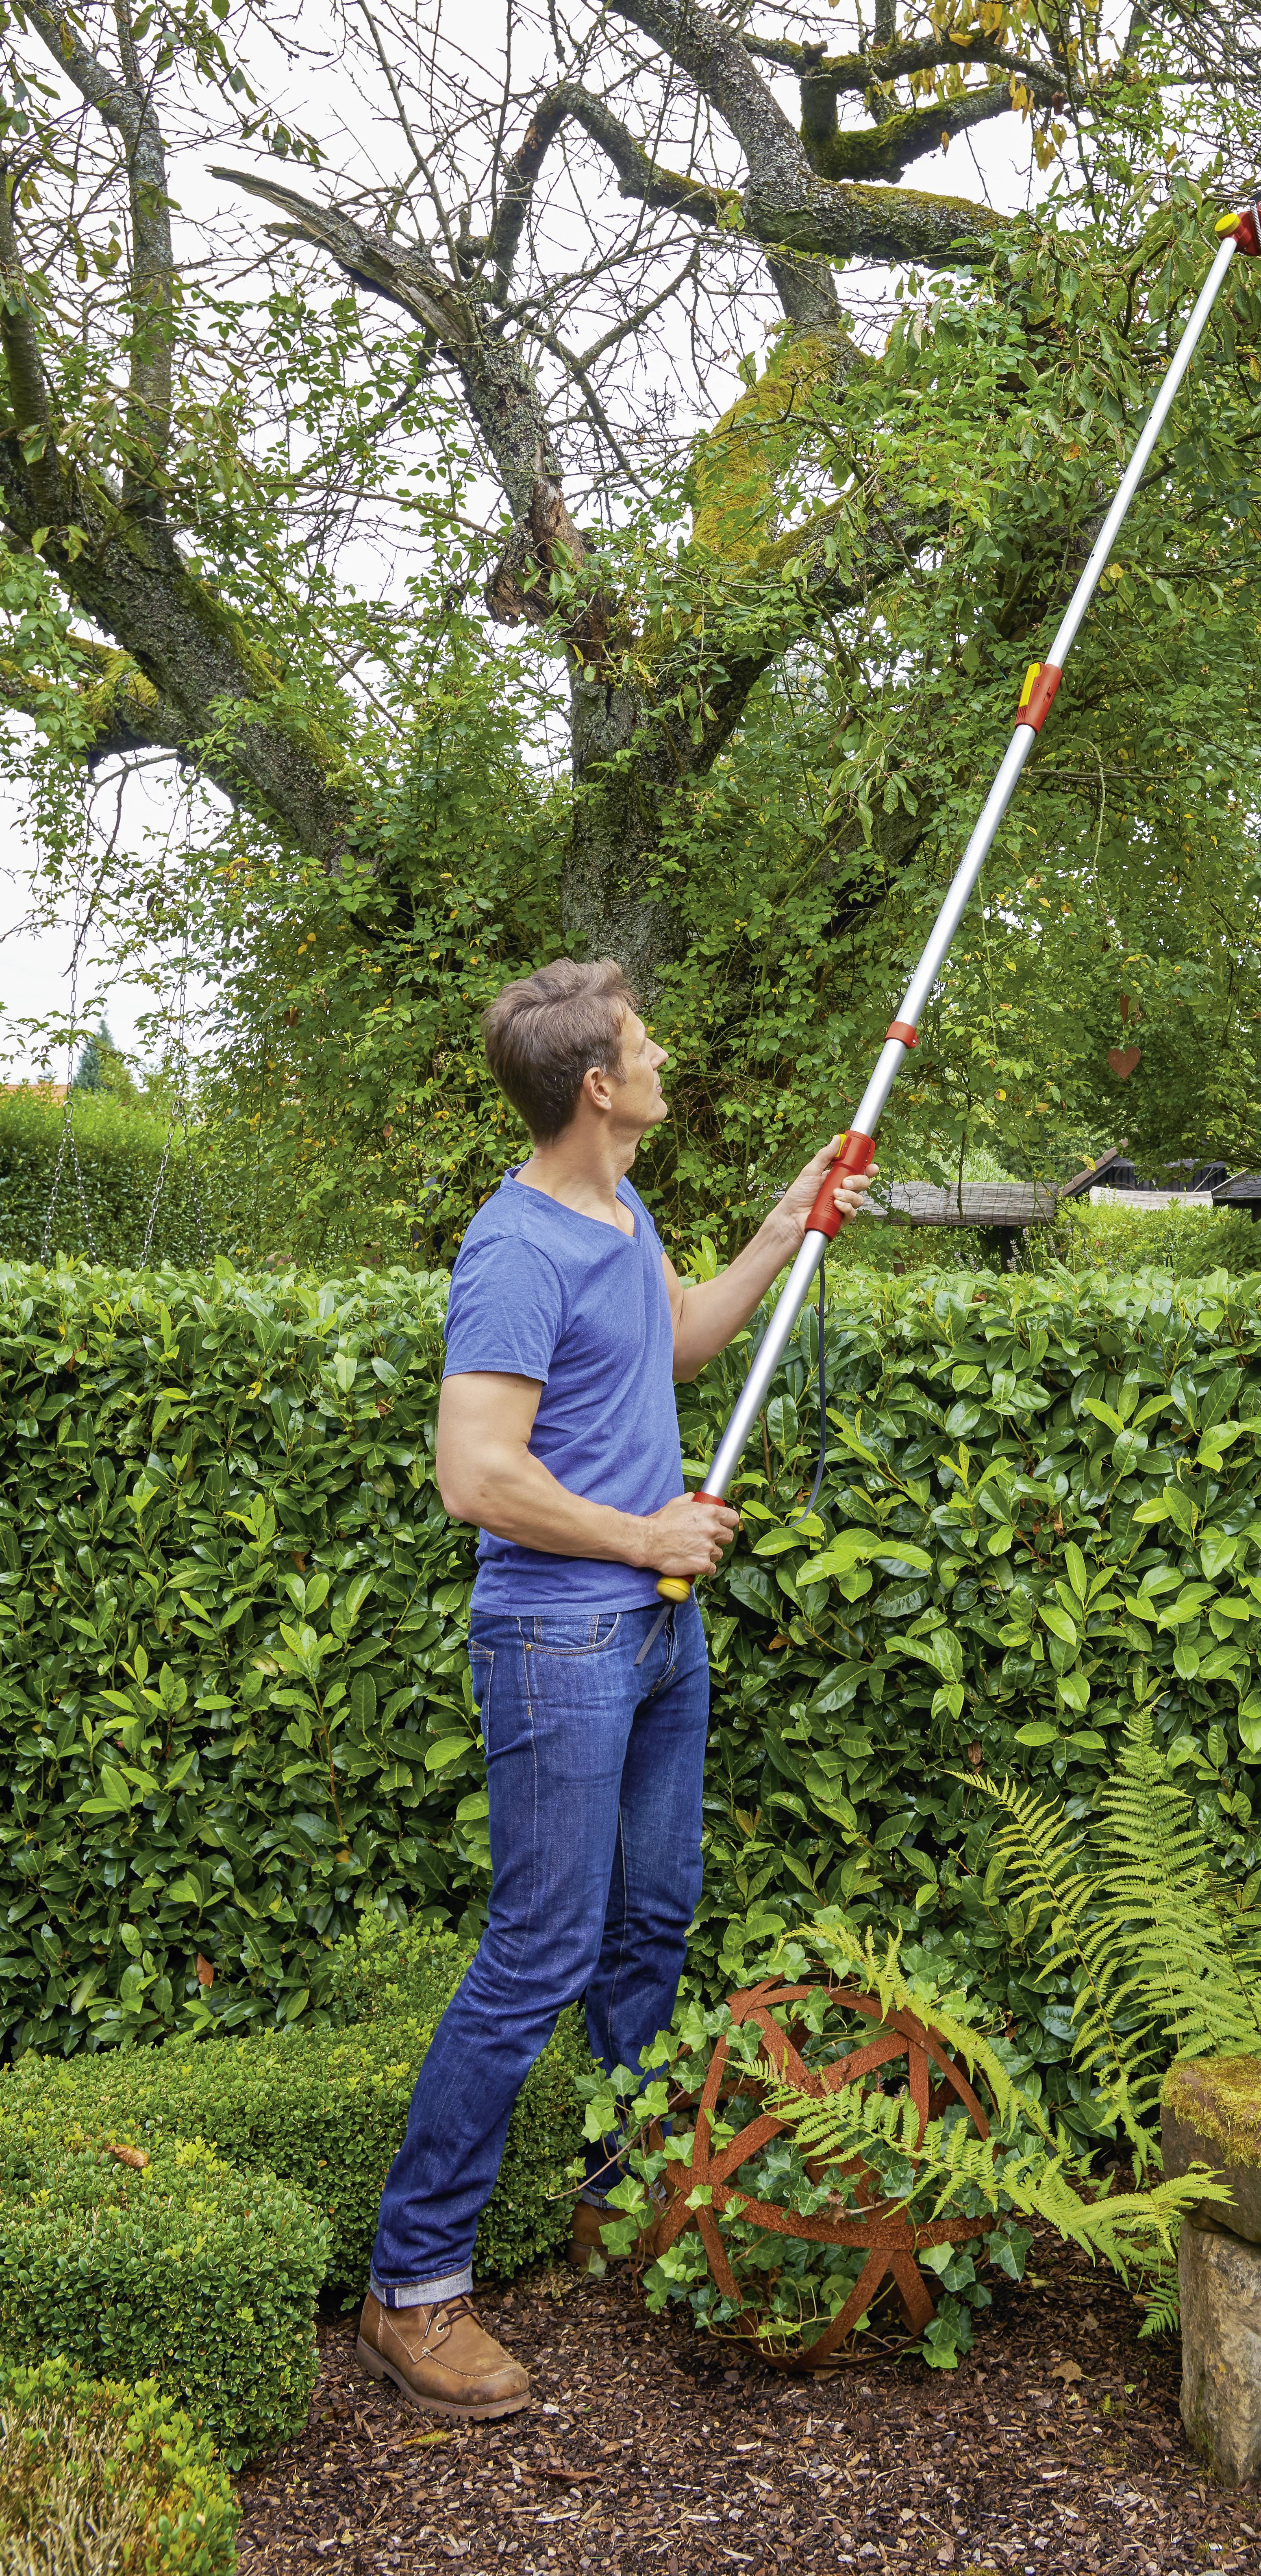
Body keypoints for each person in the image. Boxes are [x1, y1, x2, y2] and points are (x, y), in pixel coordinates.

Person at [354, 957, 874, 2418]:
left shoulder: (619, 1211)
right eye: (644, 1045)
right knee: (538, 1952)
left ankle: (617, 2192)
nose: (663, 1059)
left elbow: (681, 1342)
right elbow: (477, 1476)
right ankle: (413, 2286)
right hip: (561, 1642)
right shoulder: (516, 1250)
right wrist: (646, 1537)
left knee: (650, 1922)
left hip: (655, 1638)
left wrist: (785, 1224)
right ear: (596, 1085)